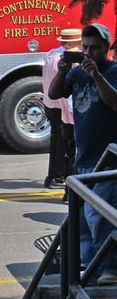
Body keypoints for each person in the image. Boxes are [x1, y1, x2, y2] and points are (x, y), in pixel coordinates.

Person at [49, 23, 117, 285]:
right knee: (83, 221)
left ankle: (110, 267)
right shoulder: (77, 74)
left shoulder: (112, 72)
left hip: (107, 160)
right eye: (85, 48)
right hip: (84, 157)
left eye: (95, 48)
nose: (89, 53)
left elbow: (114, 103)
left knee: (101, 217)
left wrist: (97, 75)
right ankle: (90, 269)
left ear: (106, 48)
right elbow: (55, 93)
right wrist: (62, 71)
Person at [42, 28, 80, 189]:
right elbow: (66, 94)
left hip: (50, 103)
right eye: (79, 43)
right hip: (61, 106)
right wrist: (70, 117)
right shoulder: (67, 60)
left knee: (57, 140)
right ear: (70, 43)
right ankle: (58, 178)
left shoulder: (51, 53)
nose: (81, 47)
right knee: (66, 145)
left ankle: (54, 176)